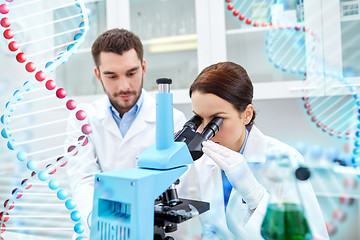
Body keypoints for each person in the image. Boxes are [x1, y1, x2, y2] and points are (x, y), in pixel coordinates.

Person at [65, 28, 186, 237]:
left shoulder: (173, 120)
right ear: (98, 75)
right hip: (100, 229)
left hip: (150, 230)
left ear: (144, 67)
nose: (124, 86)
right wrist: (102, 222)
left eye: (131, 73)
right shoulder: (82, 119)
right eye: (112, 76)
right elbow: (83, 179)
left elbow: (171, 184)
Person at [188, 61, 329, 239]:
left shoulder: (286, 160)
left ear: (246, 114)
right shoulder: (204, 161)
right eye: (199, 119)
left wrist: (255, 196)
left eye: (217, 120)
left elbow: (312, 236)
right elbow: (210, 227)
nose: (206, 132)